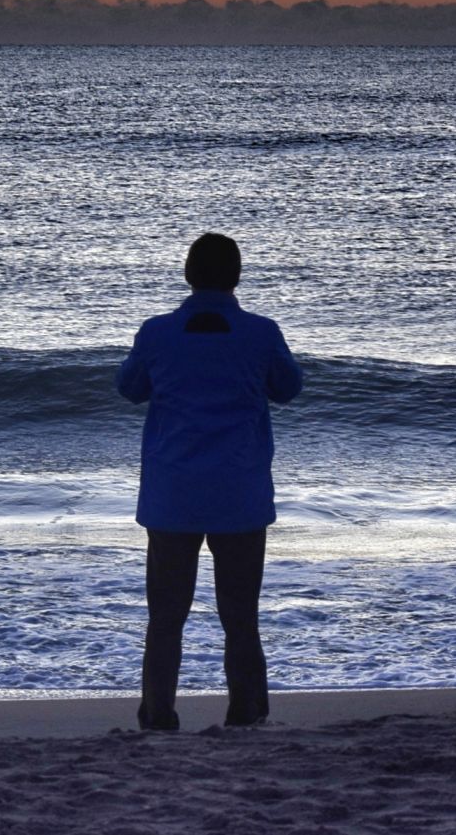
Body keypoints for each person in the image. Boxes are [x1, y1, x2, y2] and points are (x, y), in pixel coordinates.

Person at [116, 232, 303, 731]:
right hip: (238, 492)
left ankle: (158, 713)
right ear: (237, 277)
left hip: (172, 494)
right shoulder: (261, 333)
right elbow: (288, 388)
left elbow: (129, 389)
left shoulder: (156, 333)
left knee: (166, 615)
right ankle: (247, 710)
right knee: (240, 614)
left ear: (188, 275)